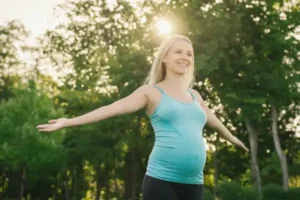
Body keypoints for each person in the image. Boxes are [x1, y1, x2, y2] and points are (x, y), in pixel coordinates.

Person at [37, 34, 249, 200]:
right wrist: (70, 121)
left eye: (189, 53)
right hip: (161, 181)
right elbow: (114, 108)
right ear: (164, 57)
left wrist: (234, 139)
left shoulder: (195, 96)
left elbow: (215, 122)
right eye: (178, 52)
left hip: (195, 182)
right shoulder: (151, 92)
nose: (185, 57)